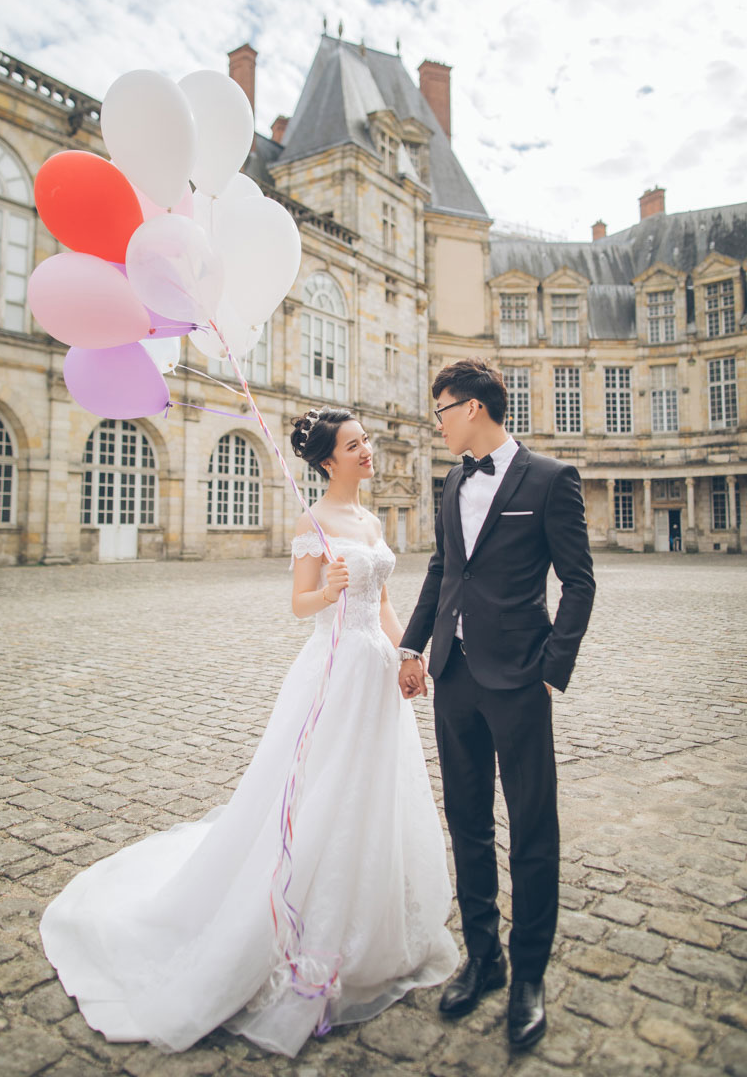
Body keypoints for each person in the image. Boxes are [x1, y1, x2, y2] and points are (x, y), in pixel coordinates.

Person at [40, 407, 458, 1058]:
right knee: (321, 794)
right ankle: (304, 932)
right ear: (328, 460)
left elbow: (381, 603)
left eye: (366, 442)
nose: (367, 451)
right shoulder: (310, 521)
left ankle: (375, 921)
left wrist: (408, 654)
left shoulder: (372, 522)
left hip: (376, 672)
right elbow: (299, 604)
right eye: (355, 445)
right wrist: (328, 591)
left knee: (374, 793)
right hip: (332, 674)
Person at [398, 359, 595, 1051]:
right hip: (453, 679)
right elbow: (442, 570)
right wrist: (411, 648)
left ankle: (529, 977)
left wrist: (551, 668)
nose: (439, 422)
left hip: (518, 681)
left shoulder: (548, 480)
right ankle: (484, 958)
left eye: (442, 410)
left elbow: (579, 582)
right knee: (469, 823)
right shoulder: (452, 480)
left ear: (474, 408)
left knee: (534, 831)